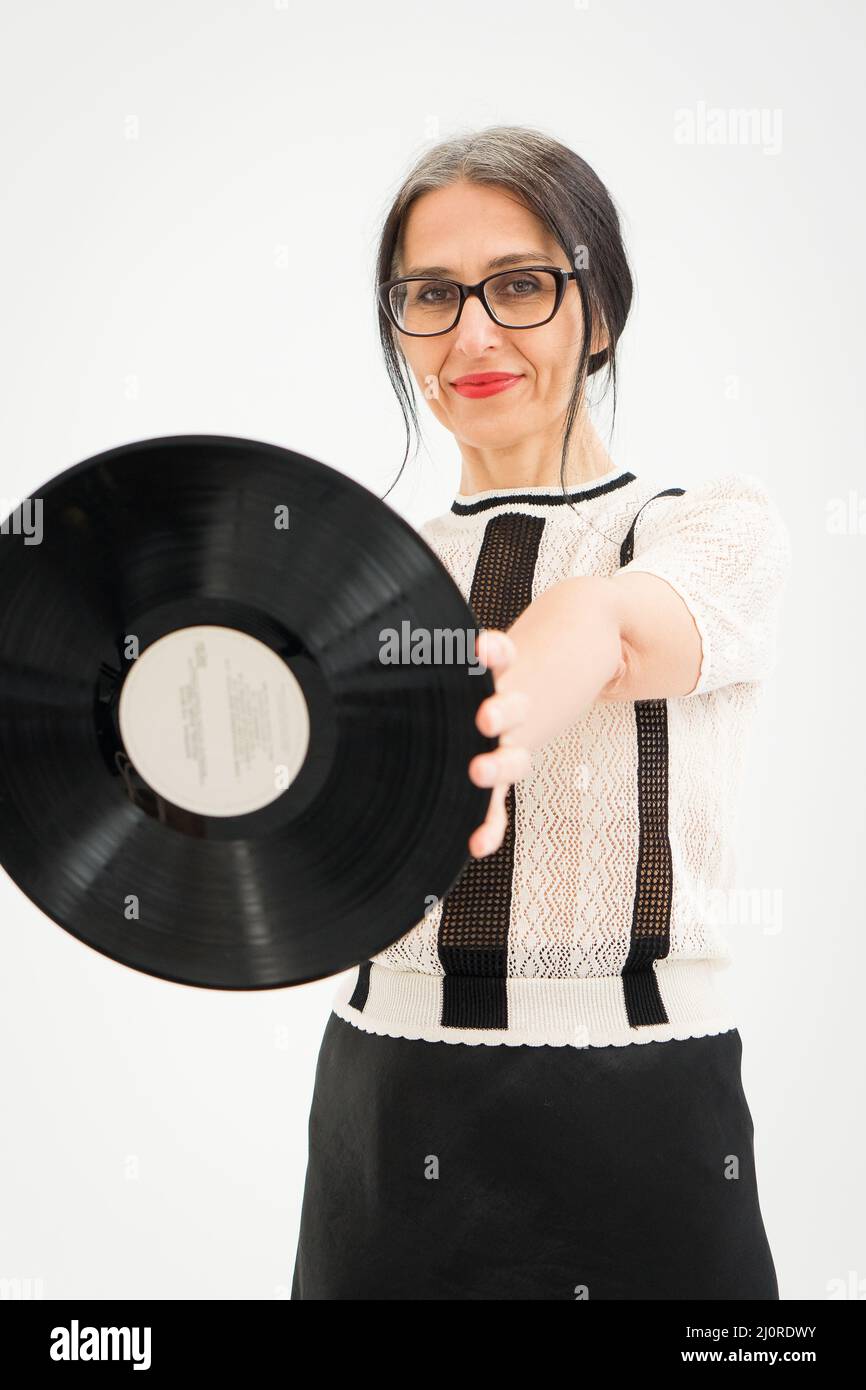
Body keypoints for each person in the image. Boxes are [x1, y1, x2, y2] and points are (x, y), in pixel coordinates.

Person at [291, 125, 791, 1301]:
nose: (471, 332)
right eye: (429, 294)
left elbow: (610, 627)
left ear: (599, 310)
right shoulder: (351, 575)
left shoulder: (702, 528)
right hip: (380, 1109)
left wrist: (493, 720)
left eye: (518, 285)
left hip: (643, 1111)